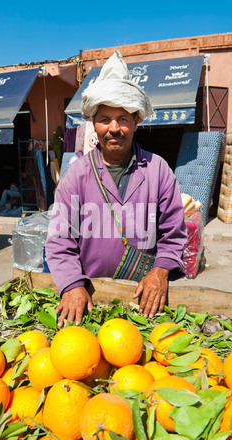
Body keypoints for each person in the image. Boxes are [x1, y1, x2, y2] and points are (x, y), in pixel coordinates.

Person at [45, 49, 187, 328]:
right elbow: (60, 240)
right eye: (104, 119)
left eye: (123, 118)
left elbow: (174, 233)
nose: (114, 128)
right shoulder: (76, 174)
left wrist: (160, 271)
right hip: (91, 298)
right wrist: (72, 284)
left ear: (137, 121)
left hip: (145, 302)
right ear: (93, 125)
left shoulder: (158, 170)